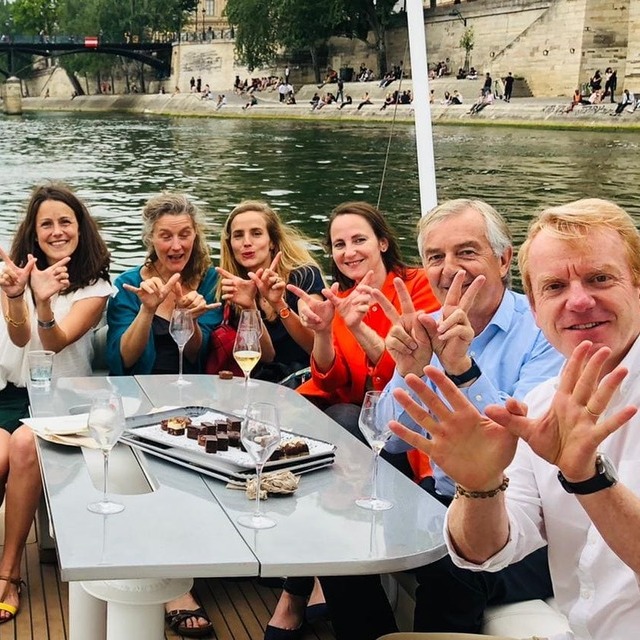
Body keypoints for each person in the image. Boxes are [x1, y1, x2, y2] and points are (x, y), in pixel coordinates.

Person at [313, 199, 564, 640]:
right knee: (337, 532)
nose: (449, 269)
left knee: (449, 566)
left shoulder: (544, 328)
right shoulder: (423, 326)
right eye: (435, 257)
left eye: (466, 252)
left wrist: (462, 368)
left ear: (503, 259)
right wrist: (410, 371)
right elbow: (389, 438)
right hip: (442, 496)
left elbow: (517, 442)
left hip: (524, 523)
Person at [392, 198, 640, 640]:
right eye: (554, 287)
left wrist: (588, 479)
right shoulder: (545, 403)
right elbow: (487, 549)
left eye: (600, 278)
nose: (579, 301)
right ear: (536, 304)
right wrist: (478, 486)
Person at [106, 193, 220, 637]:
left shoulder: (208, 281)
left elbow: (200, 353)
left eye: (185, 234)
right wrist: (148, 310)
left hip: (198, 400)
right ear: (150, 239)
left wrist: (189, 318)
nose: (176, 245)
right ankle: (175, 586)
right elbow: (123, 359)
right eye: (166, 236)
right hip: (139, 399)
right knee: (149, 464)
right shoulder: (129, 285)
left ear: (196, 235)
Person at [0, 183, 111, 623]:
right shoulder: (14, 275)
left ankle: (9, 574)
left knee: (24, 446)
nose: (57, 230)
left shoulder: (95, 286)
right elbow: (19, 338)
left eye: (66, 221)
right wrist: (17, 295)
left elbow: (55, 342)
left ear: (80, 228)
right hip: (11, 395)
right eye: (46, 223)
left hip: (63, 398)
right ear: (34, 232)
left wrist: (44, 302)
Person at [215, 200, 325, 382]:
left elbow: (315, 344)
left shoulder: (304, 275)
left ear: (272, 242)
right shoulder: (232, 287)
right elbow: (267, 356)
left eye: (256, 234)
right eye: (238, 235)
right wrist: (249, 308)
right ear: (230, 244)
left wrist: (278, 303)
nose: (246, 242)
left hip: (305, 380)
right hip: (263, 382)